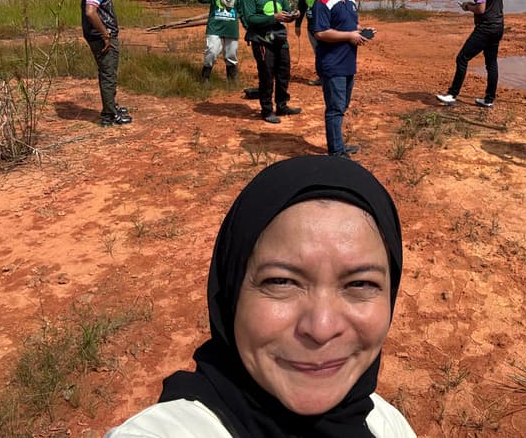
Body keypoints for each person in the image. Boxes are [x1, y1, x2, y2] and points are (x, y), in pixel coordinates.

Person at [105, 155, 416, 438]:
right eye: (281, 281)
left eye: (359, 284)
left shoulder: (387, 425)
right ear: (231, 292)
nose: (321, 329)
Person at [312, 0, 374, 157]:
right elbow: (320, 33)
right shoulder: (323, 0)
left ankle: (338, 145)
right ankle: (336, 152)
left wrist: (360, 30)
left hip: (347, 62)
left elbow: (348, 24)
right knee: (335, 108)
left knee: (342, 106)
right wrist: (349, 36)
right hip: (332, 64)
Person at [435, 0, 504, 109]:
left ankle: (452, 95)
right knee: (491, 63)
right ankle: (489, 99)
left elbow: (480, 9)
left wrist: (467, 6)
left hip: (485, 28)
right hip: (498, 27)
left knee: (462, 58)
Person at [241, 0, 301, 124]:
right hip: (262, 42)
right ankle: (267, 110)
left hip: (280, 40)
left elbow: (284, 14)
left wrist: (293, 15)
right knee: (266, 76)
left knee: (284, 74)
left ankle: (282, 106)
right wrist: (273, 17)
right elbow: (250, 19)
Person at [81, 0, 132, 127]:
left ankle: (111, 106)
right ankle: (109, 115)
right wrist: (106, 35)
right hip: (101, 38)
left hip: (98, 35)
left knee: (108, 72)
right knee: (108, 74)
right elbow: (90, 12)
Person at [192, 0, 240, 83]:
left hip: (231, 28)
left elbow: (242, 10)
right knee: (212, 51)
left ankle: (232, 80)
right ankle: (205, 78)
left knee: (231, 54)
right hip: (215, 28)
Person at [295, 0, 327, 86]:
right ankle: (321, 77)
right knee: (318, 53)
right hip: (311, 27)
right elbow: (301, 7)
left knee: (326, 52)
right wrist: (297, 24)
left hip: (325, 27)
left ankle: (329, 77)